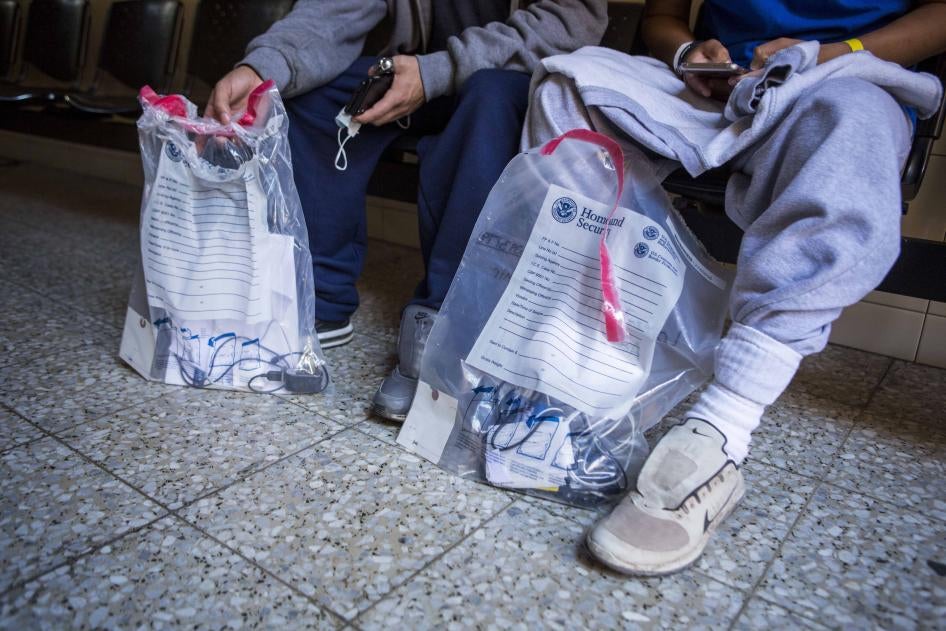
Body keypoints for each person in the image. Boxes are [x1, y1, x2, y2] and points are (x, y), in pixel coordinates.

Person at [524, 0, 946, 576]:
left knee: (857, 126)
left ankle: (722, 428)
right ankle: (589, 343)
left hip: (840, 79)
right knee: (568, 82)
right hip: (716, 88)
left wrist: (828, 55)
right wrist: (686, 53)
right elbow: (662, 16)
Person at [205, 0, 608, 421]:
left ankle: (444, 331)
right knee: (312, 93)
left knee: (488, 96)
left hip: (510, 79)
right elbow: (334, 9)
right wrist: (260, 69)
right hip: (421, 71)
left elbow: (570, 23)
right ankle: (317, 295)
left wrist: (438, 71)